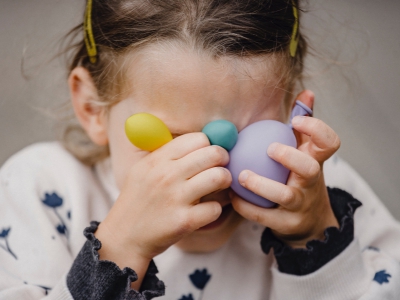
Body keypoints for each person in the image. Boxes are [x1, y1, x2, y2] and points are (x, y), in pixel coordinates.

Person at [1, 0, 399, 299]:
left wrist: (315, 242)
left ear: (293, 107)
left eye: (246, 138)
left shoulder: (320, 197)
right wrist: (118, 253)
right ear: (92, 108)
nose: (213, 176)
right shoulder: (40, 194)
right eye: (173, 143)